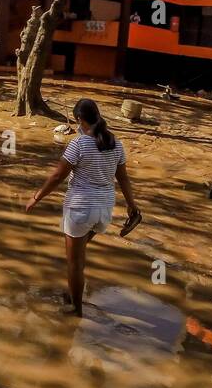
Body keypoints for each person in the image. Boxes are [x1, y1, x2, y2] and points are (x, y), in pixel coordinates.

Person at [24, 97, 141, 317]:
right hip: (104, 212)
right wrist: (132, 206)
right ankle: (73, 293)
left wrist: (36, 197)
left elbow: (58, 176)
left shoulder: (78, 144)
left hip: (81, 209)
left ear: (80, 119)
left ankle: (75, 308)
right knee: (79, 253)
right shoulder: (116, 143)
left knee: (75, 263)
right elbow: (123, 179)